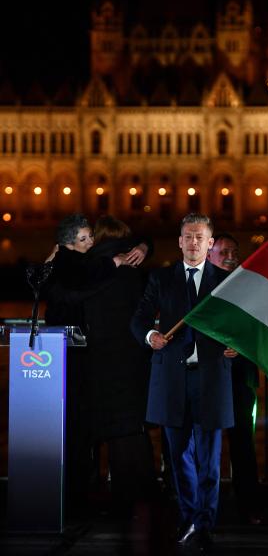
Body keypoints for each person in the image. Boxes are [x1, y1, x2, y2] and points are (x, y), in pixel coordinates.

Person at [131, 213, 237, 550]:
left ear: (210, 243)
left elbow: (239, 326)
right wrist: (150, 335)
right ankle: (189, 517)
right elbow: (139, 319)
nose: (193, 243)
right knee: (178, 459)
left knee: (209, 460)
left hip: (211, 381)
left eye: (199, 237)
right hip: (173, 381)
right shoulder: (160, 279)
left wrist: (238, 346)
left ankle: (205, 522)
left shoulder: (226, 282)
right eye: (188, 237)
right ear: (180, 242)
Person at [44, 213, 151, 517]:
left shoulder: (92, 268)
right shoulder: (129, 267)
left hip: (89, 362)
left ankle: (80, 499)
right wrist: (144, 246)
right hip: (128, 361)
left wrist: (53, 262)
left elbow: (62, 296)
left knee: (82, 435)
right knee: (127, 434)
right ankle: (133, 502)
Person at [207, 233, 262, 525]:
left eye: (234, 251)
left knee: (243, 446)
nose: (230, 255)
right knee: (207, 445)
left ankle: (248, 505)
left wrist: (241, 347)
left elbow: (259, 330)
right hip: (210, 378)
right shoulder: (200, 287)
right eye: (223, 251)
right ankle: (206, 507)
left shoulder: (250, 287)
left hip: (241, 379)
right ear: (209, 255)